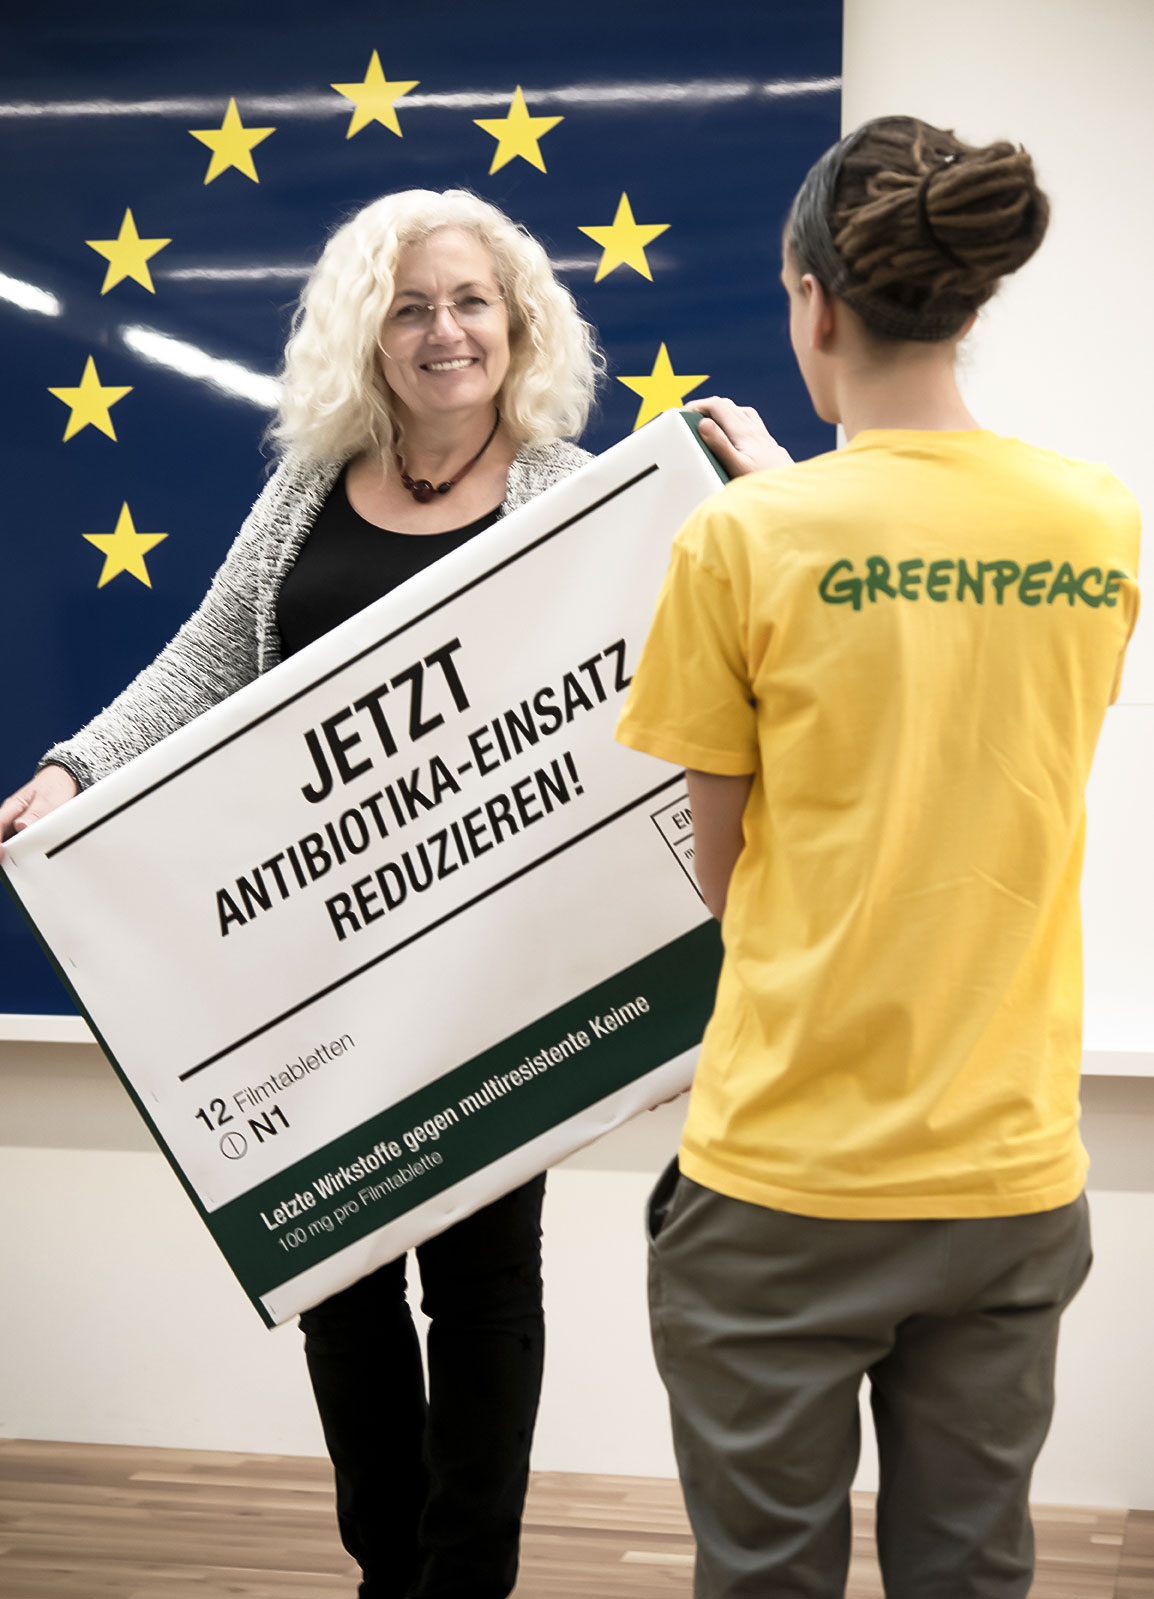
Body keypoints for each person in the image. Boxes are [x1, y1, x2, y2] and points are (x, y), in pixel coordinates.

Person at [0, 187, 601, 1599]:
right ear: (365, 337)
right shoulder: (308, 493)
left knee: (481, 1288)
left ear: (516, 323)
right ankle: (386, 1569)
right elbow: (207, 663)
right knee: (337, 1279)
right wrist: (77, 769)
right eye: (408, 307)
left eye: (468, 302)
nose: (442, 331)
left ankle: (465, 1579)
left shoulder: (576, 498)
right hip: (314, 977)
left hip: (491, 974)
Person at [615, 115, 1141, 1598]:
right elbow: (970, 728)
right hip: (1005, 1171)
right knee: (970, 1575)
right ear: (970, 301)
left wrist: (794, 503)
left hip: (785, 1177)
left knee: (767, 1578)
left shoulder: (742, 542)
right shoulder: (1095, 524)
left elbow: (726, 880)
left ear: (811, 298)